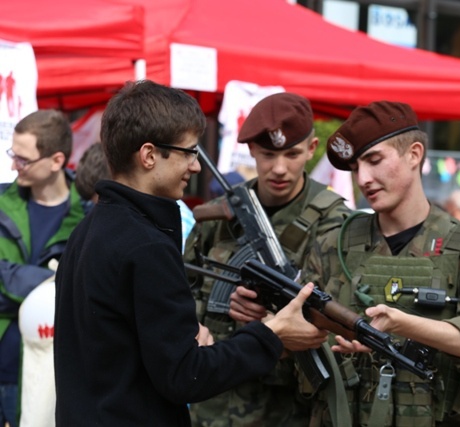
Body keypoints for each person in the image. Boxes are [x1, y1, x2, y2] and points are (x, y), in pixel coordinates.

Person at [53, 80, 328, 427]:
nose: (196, 166)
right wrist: (271, 334)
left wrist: (181, 333)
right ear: (150, 155)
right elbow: (185, 375)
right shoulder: (146, 244)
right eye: (189, 152)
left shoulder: (90, 229)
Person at [233, 101, 460, 426]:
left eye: (375, 160)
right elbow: (294, 348)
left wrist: (400, 323)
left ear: (414, 154)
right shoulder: (331, 243)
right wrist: (265, 321)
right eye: (355, 168)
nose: (363, 178)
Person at [184, 92, 351, 427]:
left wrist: (276, 322)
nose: (279, 168)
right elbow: (180, 291)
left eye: (291, 154)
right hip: (211, 407)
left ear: (311, 148)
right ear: (251, 151)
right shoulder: (222, 215)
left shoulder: (336, 224)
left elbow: (347, 327)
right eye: (268, 154)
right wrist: (202, 321)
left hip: (287, 410)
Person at [0, 109, 87, 427]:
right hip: (4, 363)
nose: (13, 166)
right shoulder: (2, 203)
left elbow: (87, 290)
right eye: (13, 154)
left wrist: (13, 281)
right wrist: (52, 282)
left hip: (56, 373)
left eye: (23, 159)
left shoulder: (89, 214)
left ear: (56, 161)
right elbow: (70, 287)